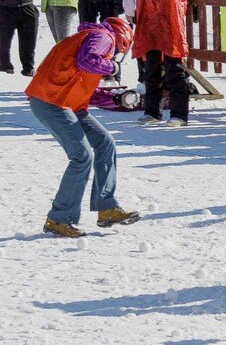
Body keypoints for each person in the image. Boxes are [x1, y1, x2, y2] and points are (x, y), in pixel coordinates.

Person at [25, 17, 140, 237]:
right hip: (51, 101)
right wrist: (112, 66)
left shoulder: (90, 39)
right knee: (82, 156)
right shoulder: (104, 37)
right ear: (123, 40)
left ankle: (106, 208)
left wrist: (115, 100)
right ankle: (59, 219)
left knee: (105, 143)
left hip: (66, 103)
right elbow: (86, 61)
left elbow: (83, 85)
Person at [127, 0, 192, 128]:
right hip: (149, 21)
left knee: (175, 69)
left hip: (170, 20)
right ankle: (152, 111)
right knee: (151, 69)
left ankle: (179, 114)